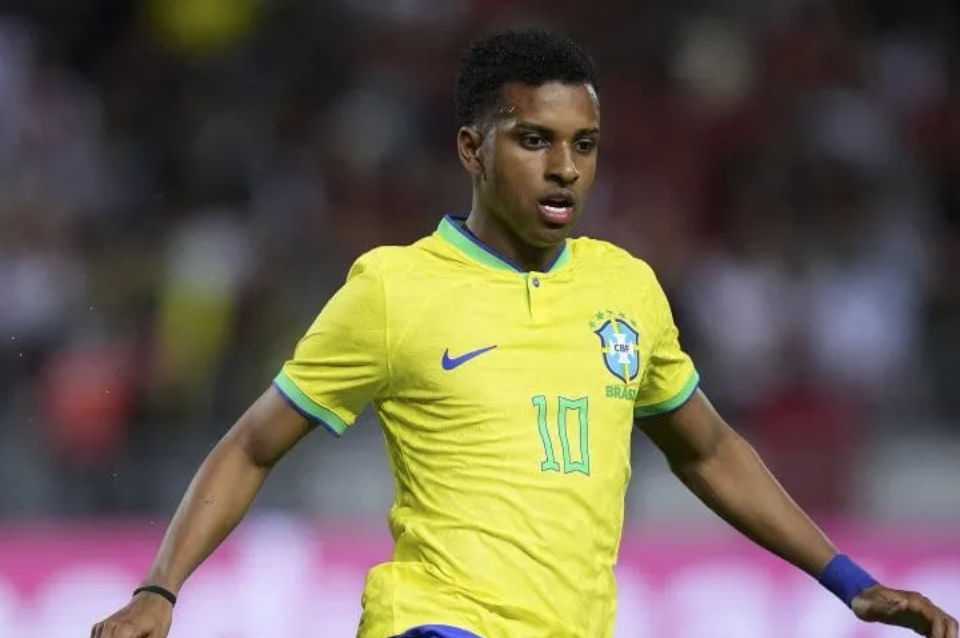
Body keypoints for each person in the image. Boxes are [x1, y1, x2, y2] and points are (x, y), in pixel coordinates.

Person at [91, 29, 957, 638]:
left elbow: (709, 450)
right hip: (434, 621)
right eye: (535, 141)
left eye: (585, 144)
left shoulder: (626, 289)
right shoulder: (394, 289)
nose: (565, 168)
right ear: (473, 150)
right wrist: (160, 589)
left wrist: (852, 583)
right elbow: (252, 446)